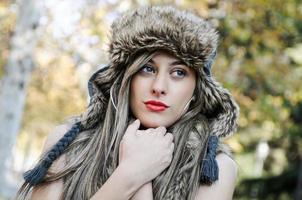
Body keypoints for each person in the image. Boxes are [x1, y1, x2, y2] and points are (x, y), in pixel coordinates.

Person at [16, 4, 239, 200]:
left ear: (197, 89)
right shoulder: (68, 144)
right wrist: (130, 174)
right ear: (126, 77)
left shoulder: (215, 167)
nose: (159, 86)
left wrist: (142, 182)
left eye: (179, 72)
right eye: (147, 68)